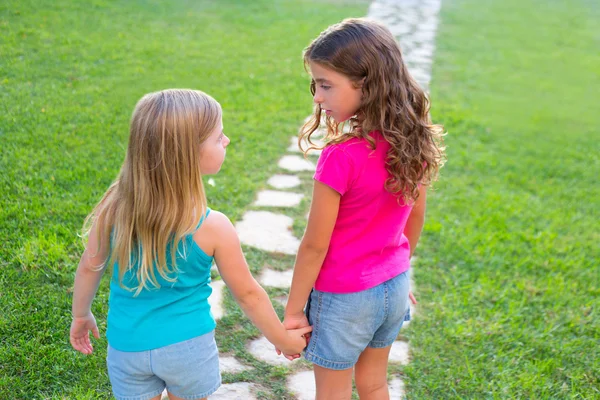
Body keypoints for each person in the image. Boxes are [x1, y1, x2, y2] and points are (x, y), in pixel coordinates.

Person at [69, 89, 311, 400]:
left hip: (126, 347)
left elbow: (91, 265)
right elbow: (247, 294)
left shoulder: (113, 211)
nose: (227, 141)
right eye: (218, 136)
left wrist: (80, 315)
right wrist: (283, 339)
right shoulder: (213, 227)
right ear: (189, 154)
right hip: (188, 349)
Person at [280, 18, 445, 399]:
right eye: (315, 85)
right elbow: (414, 217)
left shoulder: (341, 156)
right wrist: (397, 269)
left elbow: (314, 246)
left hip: (344, 297)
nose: (317, 97)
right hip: (393, 287)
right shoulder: (413, 142)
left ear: (366, 85)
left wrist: (292, 312)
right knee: (374, 384)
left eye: (326, 85)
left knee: (333, 392)